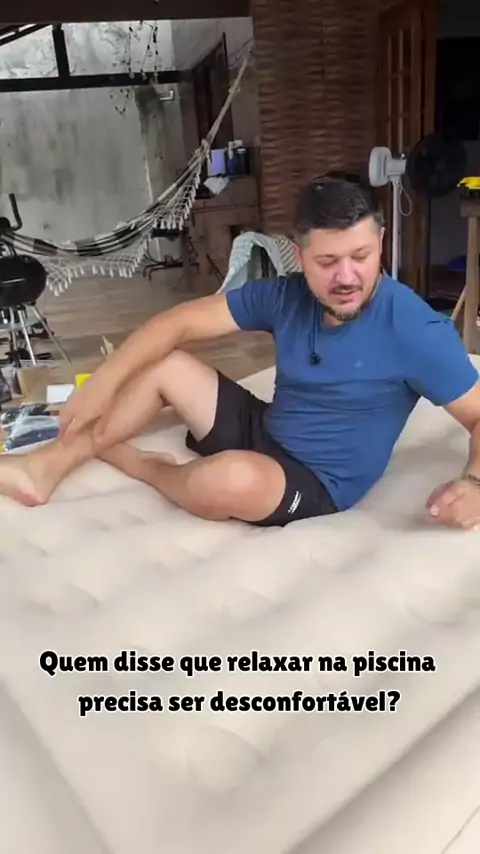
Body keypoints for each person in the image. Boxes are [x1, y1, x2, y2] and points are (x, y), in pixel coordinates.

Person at [1, 175, 480, 531]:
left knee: (228, 479)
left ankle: (145, 465)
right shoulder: (287, 295)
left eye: (361, 256)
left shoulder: (416, 330)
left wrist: (475, 485)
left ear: (380, 243)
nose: (346, 277)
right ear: (299, 256)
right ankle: (45, 469)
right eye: (327, 262)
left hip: (315, 481)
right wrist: (101, 385)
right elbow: (177, 323)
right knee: (168, 366)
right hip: (265, 428)